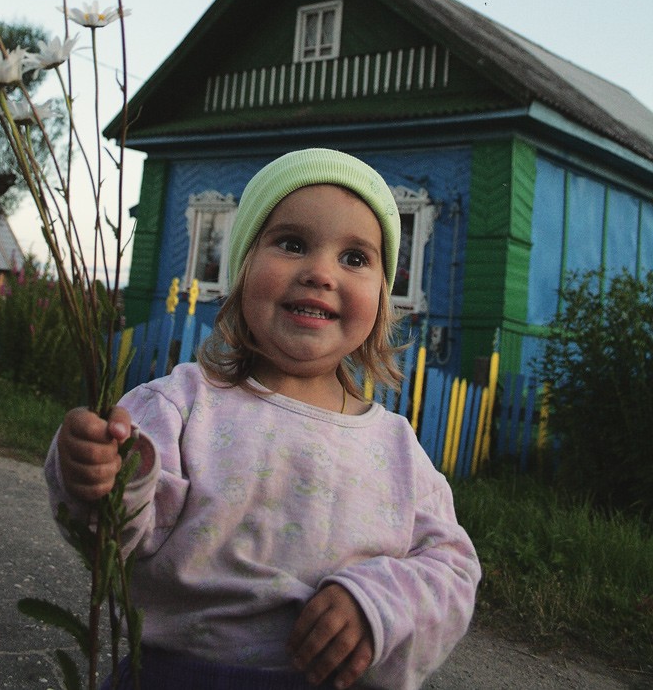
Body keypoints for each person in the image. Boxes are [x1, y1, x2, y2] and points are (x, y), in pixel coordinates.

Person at [45, 148, 481, 690]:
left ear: (381, 298)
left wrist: (379, 605)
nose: (320, 273)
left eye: (354, 258)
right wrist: (96, 471)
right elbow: (113, 533)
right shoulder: (180, 407)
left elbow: (451, 569)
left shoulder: (396, 449)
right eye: (292, 244)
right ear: (243, 268)